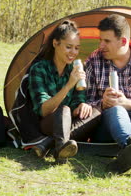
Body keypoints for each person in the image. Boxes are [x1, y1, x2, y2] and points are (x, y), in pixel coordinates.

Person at [85, 14, 131, 174]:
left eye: (107, 41)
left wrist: (128, 103)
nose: (101, 45)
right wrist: (103, 103)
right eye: (101, 40)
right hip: (106, 127)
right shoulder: (94, 60)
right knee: (116, 109)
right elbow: (85, 101)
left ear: (123, 41)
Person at [28, 19, 101, 164]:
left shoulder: (74, 69)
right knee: (64, 110)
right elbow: (44, 110)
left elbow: (77, 100)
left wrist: (81, 106)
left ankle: (51, 144)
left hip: (69, 122)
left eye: (76, 48)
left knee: (96, 111)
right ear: (56, 43)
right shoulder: (39, 69)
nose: (73, 52)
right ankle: (61, 147)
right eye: (69, 47)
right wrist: (68, 85)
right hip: (47, 122)